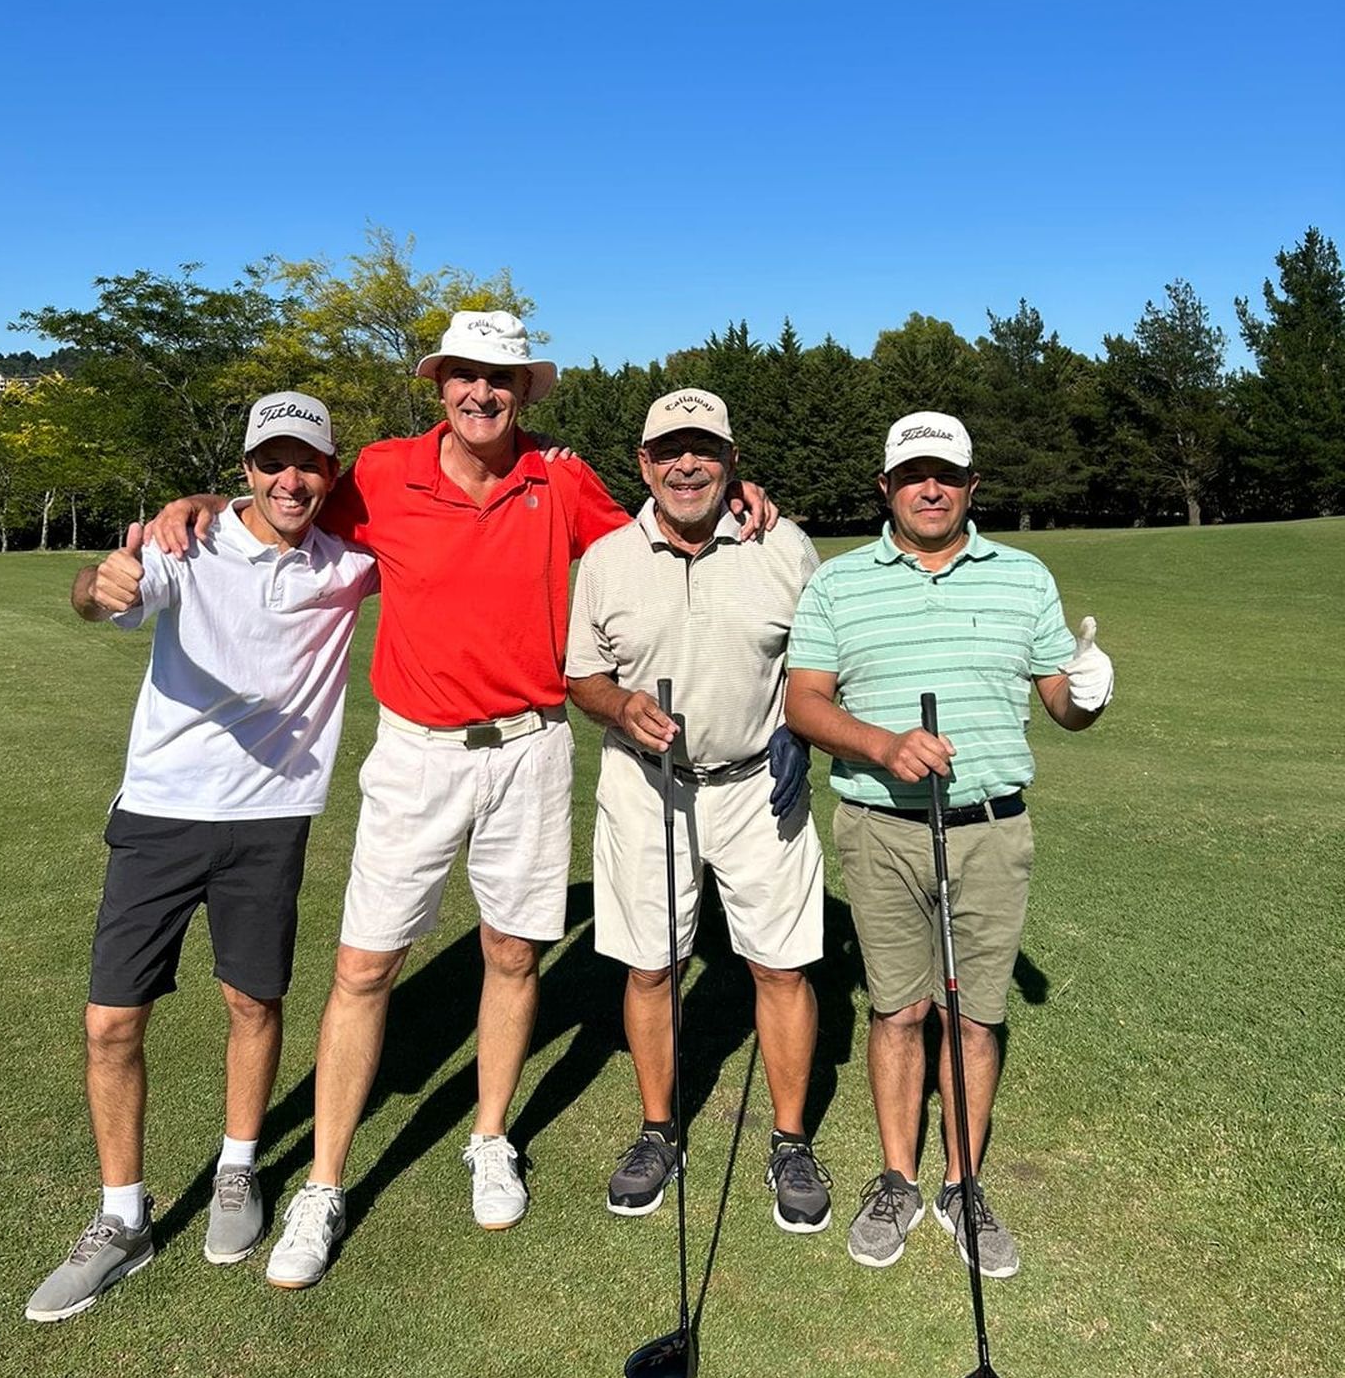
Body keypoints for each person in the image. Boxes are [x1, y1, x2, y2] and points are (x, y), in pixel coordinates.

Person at [149, 313, 773, 1287]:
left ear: (522, 390)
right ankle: (323, 1182)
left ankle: (490, 1135)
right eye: (464, 376)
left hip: (529, 748)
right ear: (440, 384)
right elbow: (283, 503)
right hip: (414, 754)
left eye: (500, 378)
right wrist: (197, 499)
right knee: (362, 966)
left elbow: (656, 537)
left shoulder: (559, 478)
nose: (481, 392)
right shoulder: (386, 471)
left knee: (514, 952)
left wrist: (739, 498)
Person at [26, 393, 377, 1321]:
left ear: (331, 476)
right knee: (111, 1022)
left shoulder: (349, 563)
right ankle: (122, 1220)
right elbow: (108, 595)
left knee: (253, 1000)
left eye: (307, 463)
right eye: (271, 462)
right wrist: (98, 584)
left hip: (275, 818)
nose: (289, 479)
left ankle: (236, 1166)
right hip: (160, 812)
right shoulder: (188, 546)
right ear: (246, 470)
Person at [784, 410, 1113, 1278]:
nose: (931, 489)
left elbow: (1062, 704)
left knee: (974, 1015)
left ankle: (961, 1184)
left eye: (948, 475)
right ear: (886, 487)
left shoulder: (1023, 576)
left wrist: (1089, 692)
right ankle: (897, 1178)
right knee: (898, 1010)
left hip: (991, 831)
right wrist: (882, 746)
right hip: (881, 826)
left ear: (971, 486)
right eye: (913, 474)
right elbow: (805, 703)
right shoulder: (839, 584)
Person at [565, 388, 832, 1231]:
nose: (688, 465)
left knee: (781, 966)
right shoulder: (607, 558)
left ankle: (790, 1142)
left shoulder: (783, 546)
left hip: (759, 786)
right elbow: (582, 677)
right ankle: (658, 1129)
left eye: (705, 450)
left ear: (731, 463)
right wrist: (619, 708)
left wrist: (799, 729)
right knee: (650, 966)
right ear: (643, 465)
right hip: (647, 789)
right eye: (670, 450)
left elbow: (820, 662)